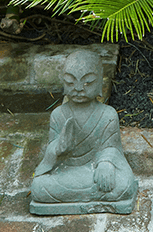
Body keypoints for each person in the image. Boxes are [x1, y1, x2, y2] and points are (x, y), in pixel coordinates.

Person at [30, 47, 138, 215]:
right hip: (68, 172)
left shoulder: (107, 114)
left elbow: (112, 148)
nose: (79, 88)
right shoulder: (59, 114)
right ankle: (92, 197)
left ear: (100, 82)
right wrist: (58, 148)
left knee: (124, 185)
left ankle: (90, 193)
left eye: (87, 82)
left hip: (96, 172)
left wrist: (106, 164)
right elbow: (51, 157)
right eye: (71, 82)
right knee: (39, 187)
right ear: (63, 82)